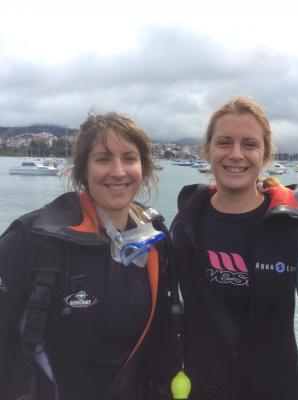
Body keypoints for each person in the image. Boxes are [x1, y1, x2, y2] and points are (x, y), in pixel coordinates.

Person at [170, 95, 298, 400]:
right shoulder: (184, 227)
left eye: (249, 144)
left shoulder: (293, 230)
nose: (236, 154)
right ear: (208, 151)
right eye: (224, 142)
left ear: (265, 154)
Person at [0, 112, 177, 400]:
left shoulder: (155, 241)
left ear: (144, 168)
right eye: (103, 159)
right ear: (82, 170)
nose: (118, 171)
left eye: (129, 158)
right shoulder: (31, 240)